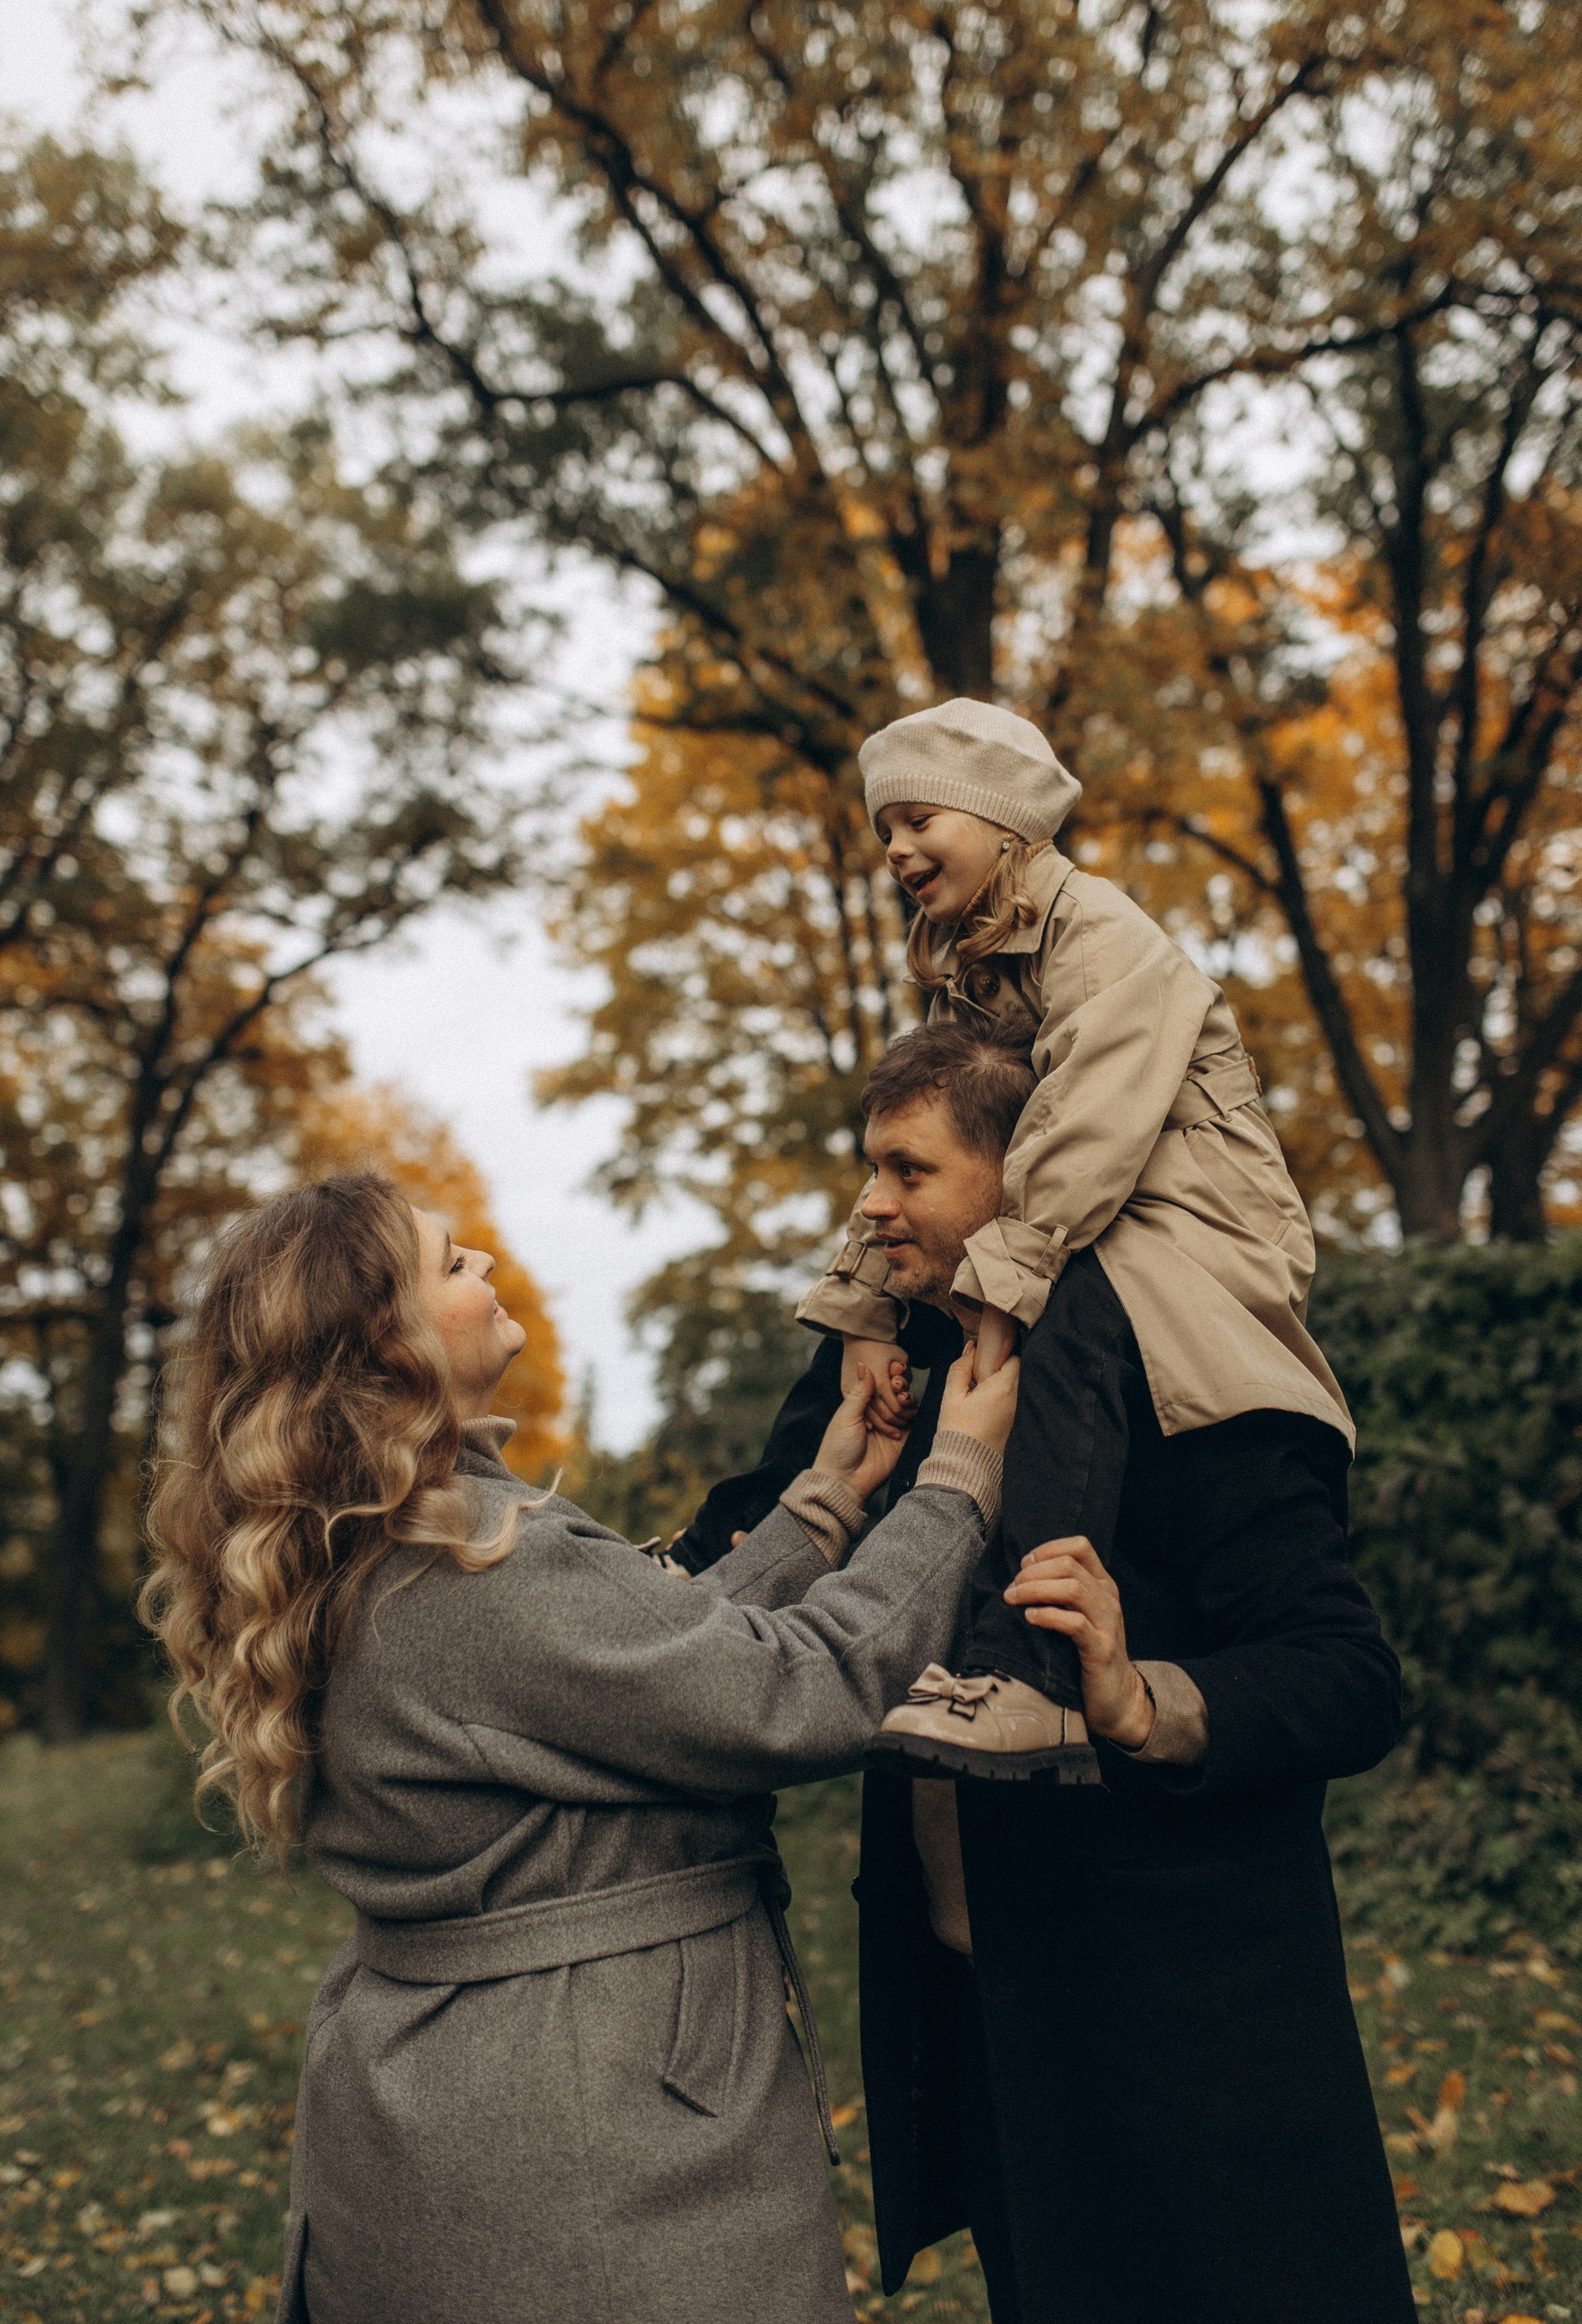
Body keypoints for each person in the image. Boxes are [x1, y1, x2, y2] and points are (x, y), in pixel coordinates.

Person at [138, 1170, 1018, 2324]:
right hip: (590, 2142)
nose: (486, 1268)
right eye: (450, 1265)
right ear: (382, 1347)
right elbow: (799, 1692)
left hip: (471, 2106)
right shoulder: (466, 1565)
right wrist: (957, 1476)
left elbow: (645, 1668)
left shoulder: (379, 1539)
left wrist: (827, 1499)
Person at [683, 1022, 1416, 2324]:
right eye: (869, 1168)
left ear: (1027, 1174)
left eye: (907, 1171)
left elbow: (1345, 1673)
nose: (869, 1203)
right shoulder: (885, 1363)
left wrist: (1144, 1700)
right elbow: (736, 1538)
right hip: (990, 2006)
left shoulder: (1189, 1368)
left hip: (1192, 2022)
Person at [793, 696, 1355, 1775]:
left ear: (1003, 819)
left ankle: (1031, 1671)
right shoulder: (982, 969)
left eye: (918, 819)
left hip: (1190, 1234)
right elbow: (938, 1154)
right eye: (884, 832)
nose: (898, 850)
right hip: (1099, 1216)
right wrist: (864, 1310)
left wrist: (994, 1307)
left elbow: (1076, 1142)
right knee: (925, 1272)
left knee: (1053, 1302)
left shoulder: (1104, 939)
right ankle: (748, 1558)